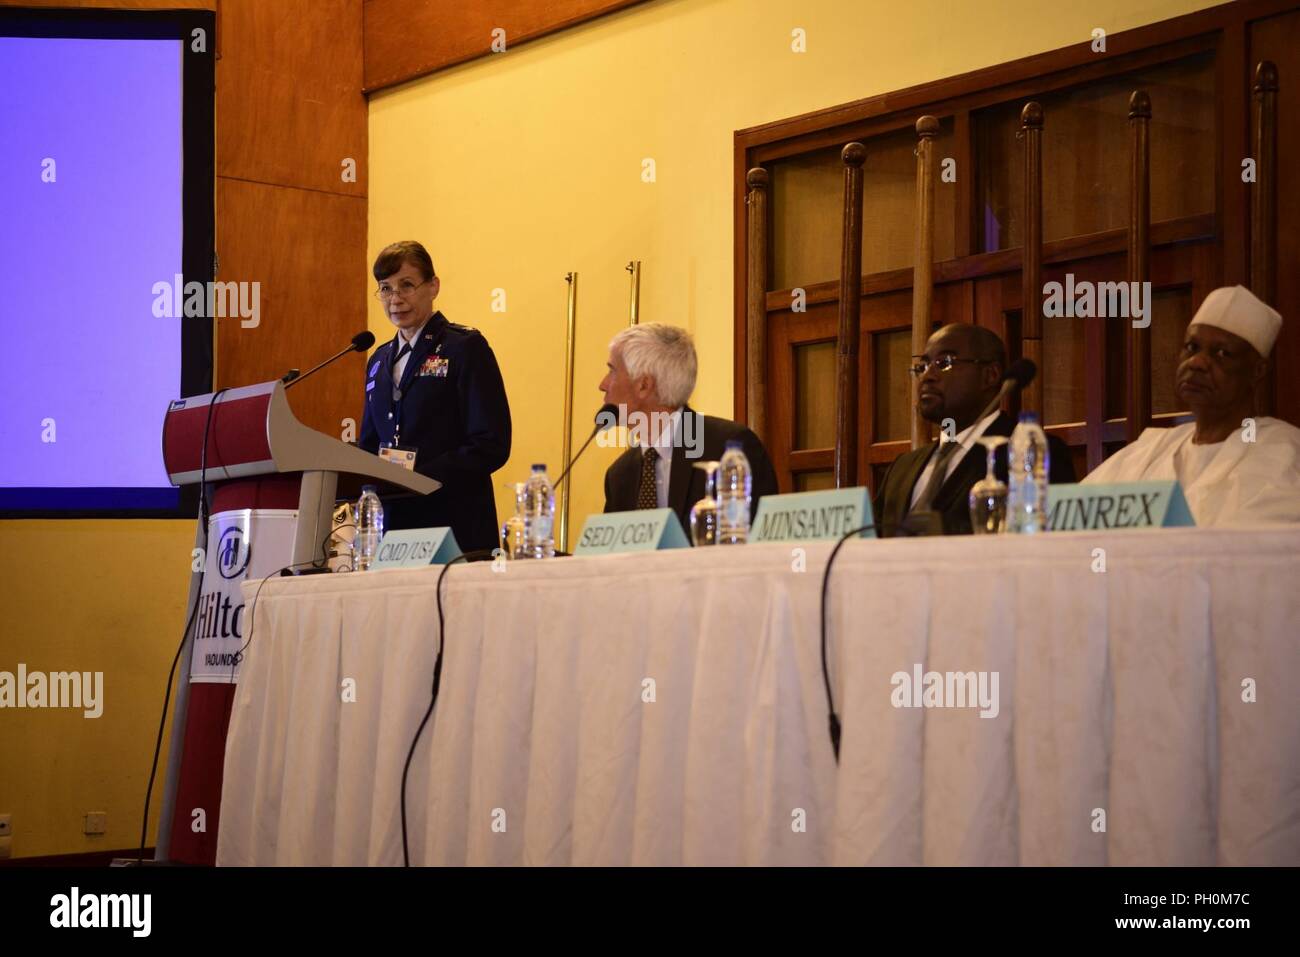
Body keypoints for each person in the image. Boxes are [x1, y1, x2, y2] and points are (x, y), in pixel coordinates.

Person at [1083, 285, 1300, 526]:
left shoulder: (1285, 452)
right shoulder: (1148, 451)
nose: (1197, 362)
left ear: (1258, 371)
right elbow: (1072, 524)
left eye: (1221, 353)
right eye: (1192, 347)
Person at [359, 241, 511, 552]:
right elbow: (368, 446)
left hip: (455, 525)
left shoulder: (464, 348)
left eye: (407, 285)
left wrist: (421, 476)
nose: (396, 299)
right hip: (396, 531)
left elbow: (491, 444)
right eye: (385, 289)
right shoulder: (378, 361)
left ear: (433, 286)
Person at [874, 322, 1076, 536]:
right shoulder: (901, 469)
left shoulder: (1031, 451)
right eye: (922, 367)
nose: (927, 376)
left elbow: (1044, 536)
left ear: (990, 375)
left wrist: (947, 531)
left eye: (944, 363)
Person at [600, 323, 778, 532]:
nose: (602, 384)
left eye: (612, 371)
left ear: (644, 385)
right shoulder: (620, 475)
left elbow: (760, 542)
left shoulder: (729, 452)